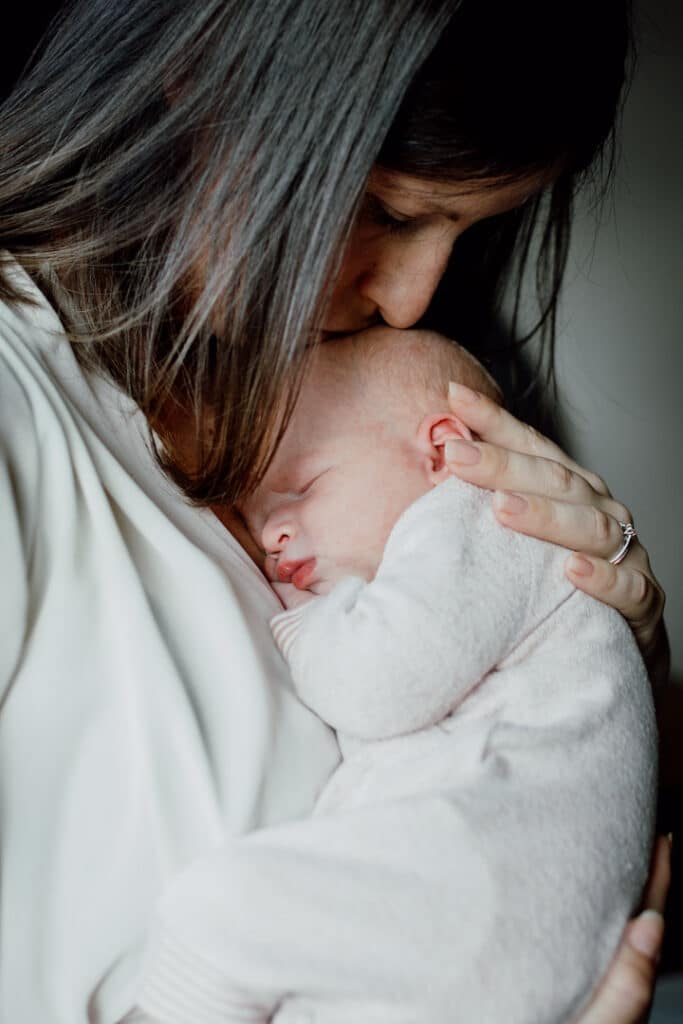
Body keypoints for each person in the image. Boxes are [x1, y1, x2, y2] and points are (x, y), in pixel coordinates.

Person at [0, 1, 669, 1021]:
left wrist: (624, 667)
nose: (409, 299)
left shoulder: (407, 423)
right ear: (209, 90)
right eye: (393, 213)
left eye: (467, 229)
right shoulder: (24, 417)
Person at [133, 327, 657, 1022]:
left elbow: (375, 686)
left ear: (439, 451)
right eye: (258, 519)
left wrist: (300, 620)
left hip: (483, 890)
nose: (271, 536)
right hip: (491, 934)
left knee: (216, 914)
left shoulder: (487, 517)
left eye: (300, 488)